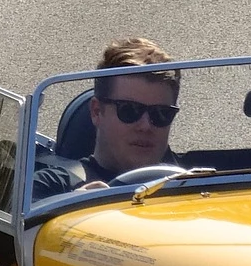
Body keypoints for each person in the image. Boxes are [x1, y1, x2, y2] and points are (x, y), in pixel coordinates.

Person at [33, 37, 182, 199]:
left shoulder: (197, 186)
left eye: (161, 113)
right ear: (97, 112)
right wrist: (69, 207)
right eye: (129, 110)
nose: (146, 126)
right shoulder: (48, 187)